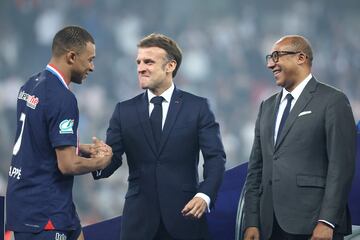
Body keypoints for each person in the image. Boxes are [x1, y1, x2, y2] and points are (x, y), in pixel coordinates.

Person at [92, 33, 226, 240]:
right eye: (138, 62)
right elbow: (112, 160)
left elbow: (215, 158)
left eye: (149, 62)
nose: (140, 67)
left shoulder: (197, 107)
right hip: (138, 224)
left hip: (186, 219)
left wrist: (204, 195)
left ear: (170, 66)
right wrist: (100, 160)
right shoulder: (123, 111)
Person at [243, 35, 356, 240]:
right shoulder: (266, 106)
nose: (270, 64)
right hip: (269, 226)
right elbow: (256, 169)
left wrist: (327, 221)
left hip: (313, 225)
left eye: (277, 56)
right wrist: (251, 221)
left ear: (301, 58)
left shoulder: (332, 100)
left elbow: (341, 166)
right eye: (270, 58)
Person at [6, 25, 112, 240]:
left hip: (32, 201)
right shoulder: (63, 98)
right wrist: (101, 163)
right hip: (44, 211)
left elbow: (38, 137)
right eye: (90, 59)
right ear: (72, 56)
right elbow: (67, 165)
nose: (92, 67)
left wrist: (79, 147)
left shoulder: (30, 84)